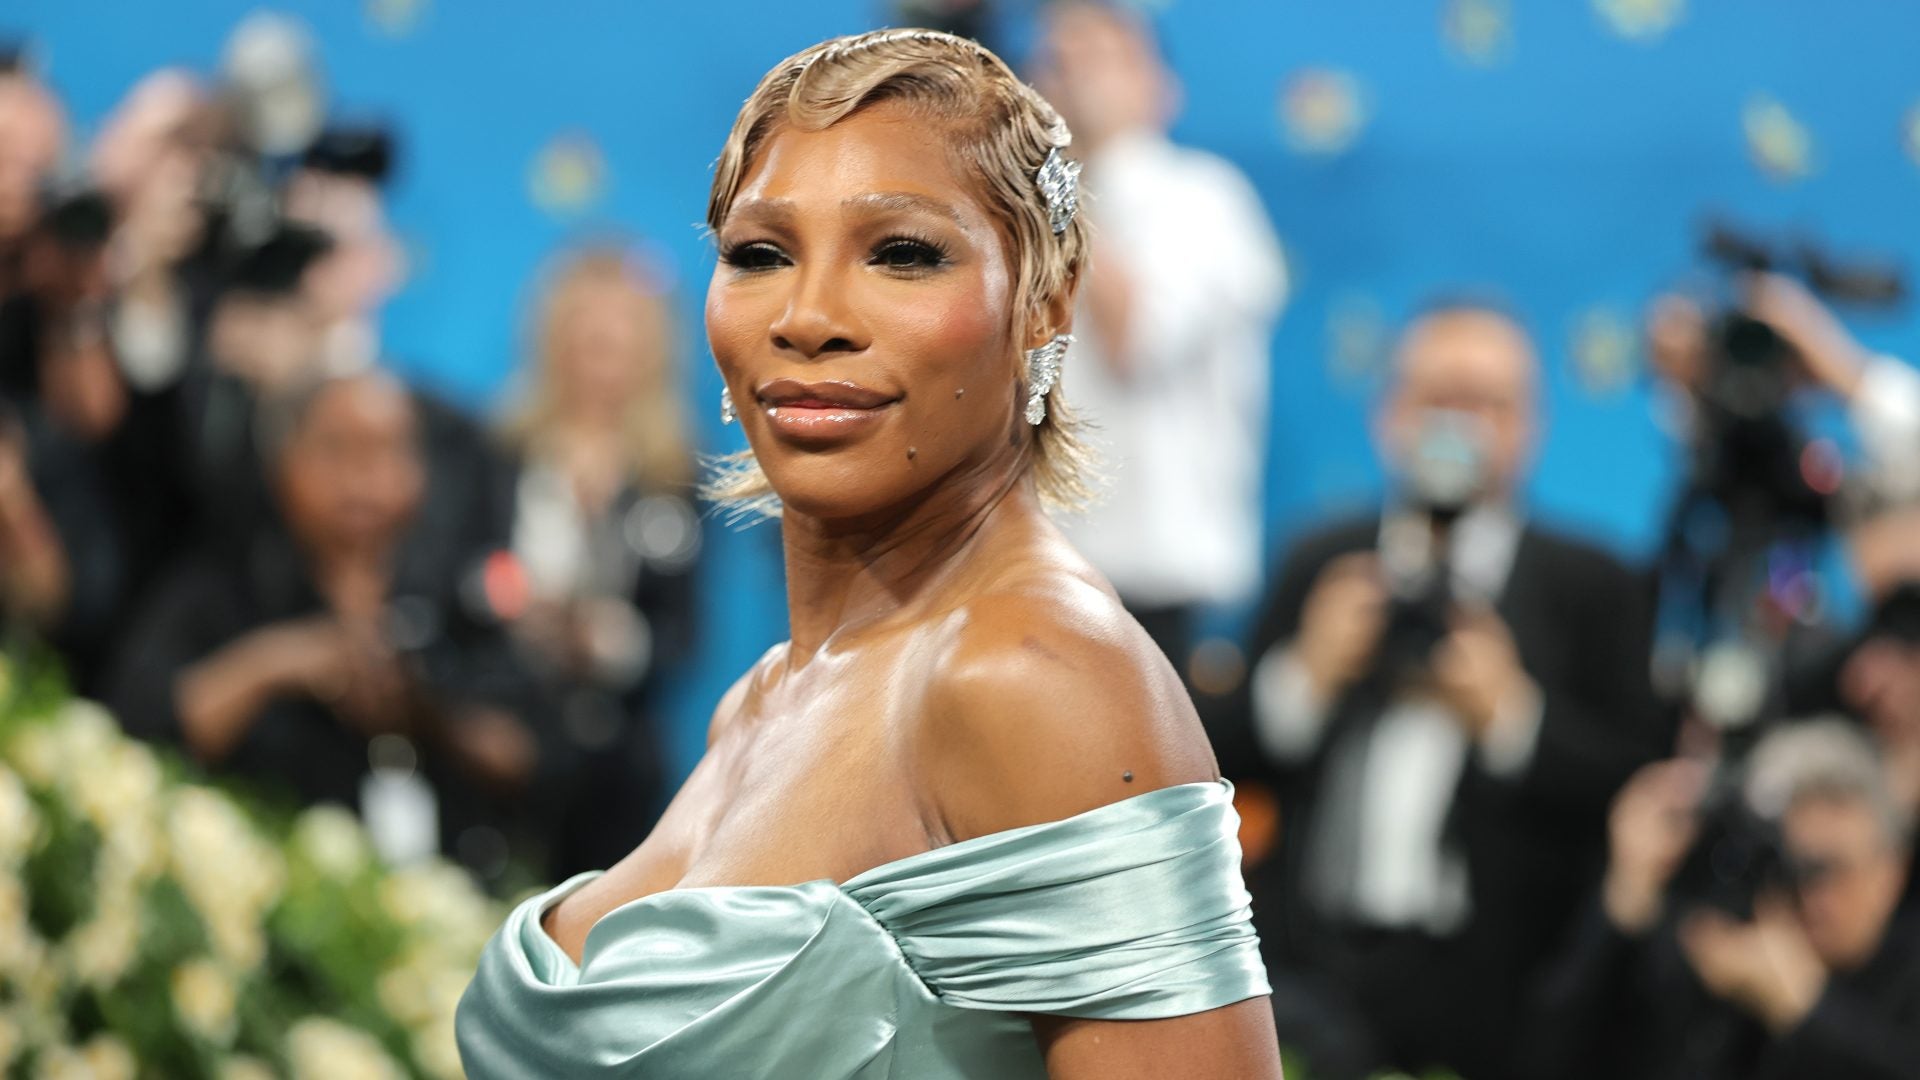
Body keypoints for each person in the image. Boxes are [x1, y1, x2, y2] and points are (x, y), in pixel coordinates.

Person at [457, 28, 1280, 1080]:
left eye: (903, 254)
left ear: (1045, 301)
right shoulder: (759, 703)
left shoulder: (1034, 675)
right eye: (760, 255)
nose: (809, 318)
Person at [1215, 304, 1668, 1080]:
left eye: (1487, 403)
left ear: (1529, 427)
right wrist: (1305, 677)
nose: (1460, 426)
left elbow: (1635, 782)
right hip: (1315, 973)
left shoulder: (1595, 585)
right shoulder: (1321, 560)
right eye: (1439, 398)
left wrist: (1511, 716)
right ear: (1389, 414)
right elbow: (1217, 760)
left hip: (1501, 991)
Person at [107, 368, 562, 886]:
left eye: (386, 450)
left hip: (442, 894)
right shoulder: (223, 584)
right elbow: (137, 732)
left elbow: (535, 760)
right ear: (281, 462)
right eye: (337, 449)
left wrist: (428, 714)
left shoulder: (458, 595)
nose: (363, 478)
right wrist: (274, 664)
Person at [1031, 1, 1287, 676]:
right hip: (1031, 573)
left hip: (1155, 589)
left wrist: (1066, 175)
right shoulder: (1019, 210)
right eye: (1057, 59)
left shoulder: (1205, 199)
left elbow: (1137, 339)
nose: (1075, 77)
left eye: (1100, 58)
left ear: (1160, 87)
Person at [1524, 721, 1920, 1080]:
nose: (1807, 894)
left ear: (1892, 870)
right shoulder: (1724, 941)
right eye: (1788, 865)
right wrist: (1627, 898)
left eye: (1828, 868)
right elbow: (1548, 1054)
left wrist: (1807, 1012)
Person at [497, 246, 701, 877]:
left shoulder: (673, 476)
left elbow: (677, 635)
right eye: (589, 334)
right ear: (554, 340)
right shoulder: (499, 456)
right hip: (497, 744)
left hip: (615, 772)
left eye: (621, 336)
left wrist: (606, 642)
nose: (603, 354)